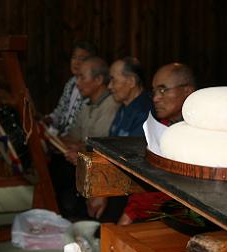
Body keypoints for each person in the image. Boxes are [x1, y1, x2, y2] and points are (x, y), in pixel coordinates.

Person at [117, 62, 196, 225]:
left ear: (187, 91)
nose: (155, 98)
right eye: (154, 91)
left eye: (163, 90)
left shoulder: (196, 135)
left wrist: (130, 213)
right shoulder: (163, 126)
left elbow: (170, 189)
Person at [50, 56, 120, 217]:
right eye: (77, 77)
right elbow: (73, 136)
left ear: (98, 80)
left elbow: (97, 148)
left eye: (82, 77)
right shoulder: (88, 105)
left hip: (100, 168)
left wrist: (79, 147)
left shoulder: (110, 106)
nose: (77, 83)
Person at [86, 57, 153, 220]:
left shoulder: (144, 112)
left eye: (113, 80)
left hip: (131, 191)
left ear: (131, 81)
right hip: (115, 184)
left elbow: (131, 164)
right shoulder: (124, 108)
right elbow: (110, 149)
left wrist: (103, 191)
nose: (109, 86)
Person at [46, 41, 97, 136]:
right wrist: (44, 119)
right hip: (61, 138)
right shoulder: (71, 82)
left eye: (82, 58)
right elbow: (59, 113)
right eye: (74, 57)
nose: (76, 62)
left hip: (75, 142)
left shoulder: (92, 86)